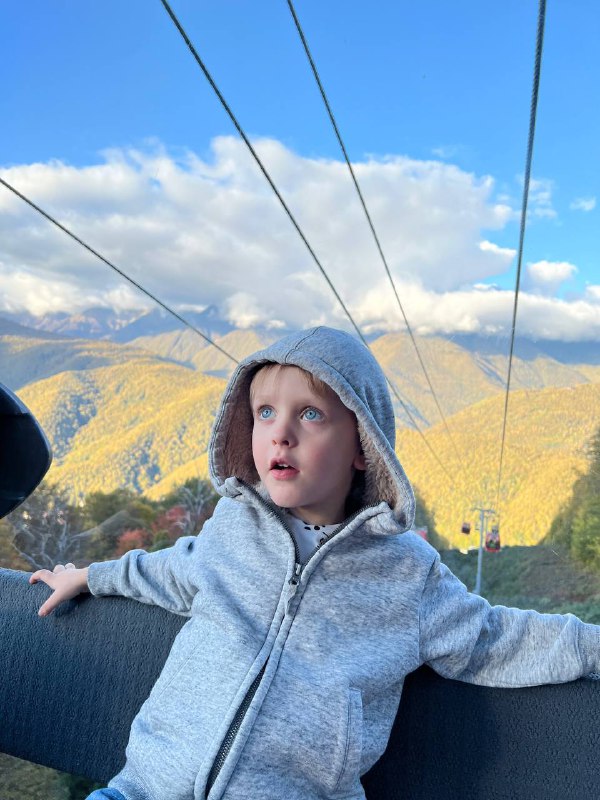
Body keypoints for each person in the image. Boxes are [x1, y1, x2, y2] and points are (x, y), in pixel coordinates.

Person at [30, 326, 600, 800]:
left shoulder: (406, 575)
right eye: (265, 412)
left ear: (363, 448)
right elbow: (170, 569)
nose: (280, 433)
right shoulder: (232, 529)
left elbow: (493, 637)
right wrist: (88, 575)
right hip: (144, 787)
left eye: (309, 414)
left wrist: (591, 647)